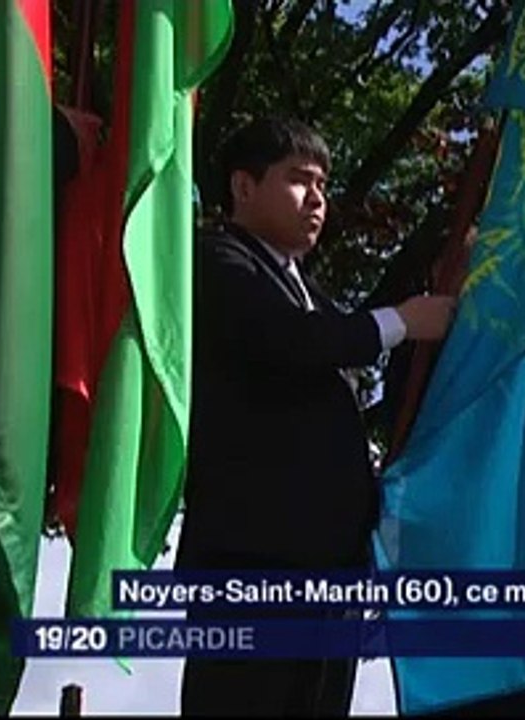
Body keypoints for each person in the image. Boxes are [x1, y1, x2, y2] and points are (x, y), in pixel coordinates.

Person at [176, 116, 456, 716]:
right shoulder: (216, 260)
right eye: (299, 180)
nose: (317, 199)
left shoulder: (315, 296)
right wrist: (401, 321)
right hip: (252, 568)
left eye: (324, 185)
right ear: (243, 187)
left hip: (331, 578)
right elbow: (293, 341)